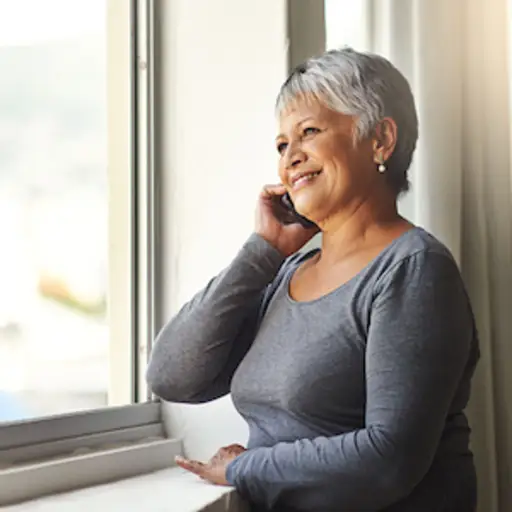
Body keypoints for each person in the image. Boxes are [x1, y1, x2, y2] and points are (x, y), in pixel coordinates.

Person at [146, 48, 479, 512]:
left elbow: (390, 460)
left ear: (380, 139)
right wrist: (261, 251)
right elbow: (171, 376)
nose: (291, 158)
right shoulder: (285, 273)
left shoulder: (413, 269)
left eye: (309, 132)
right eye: (282, 145)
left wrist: (247, 467)